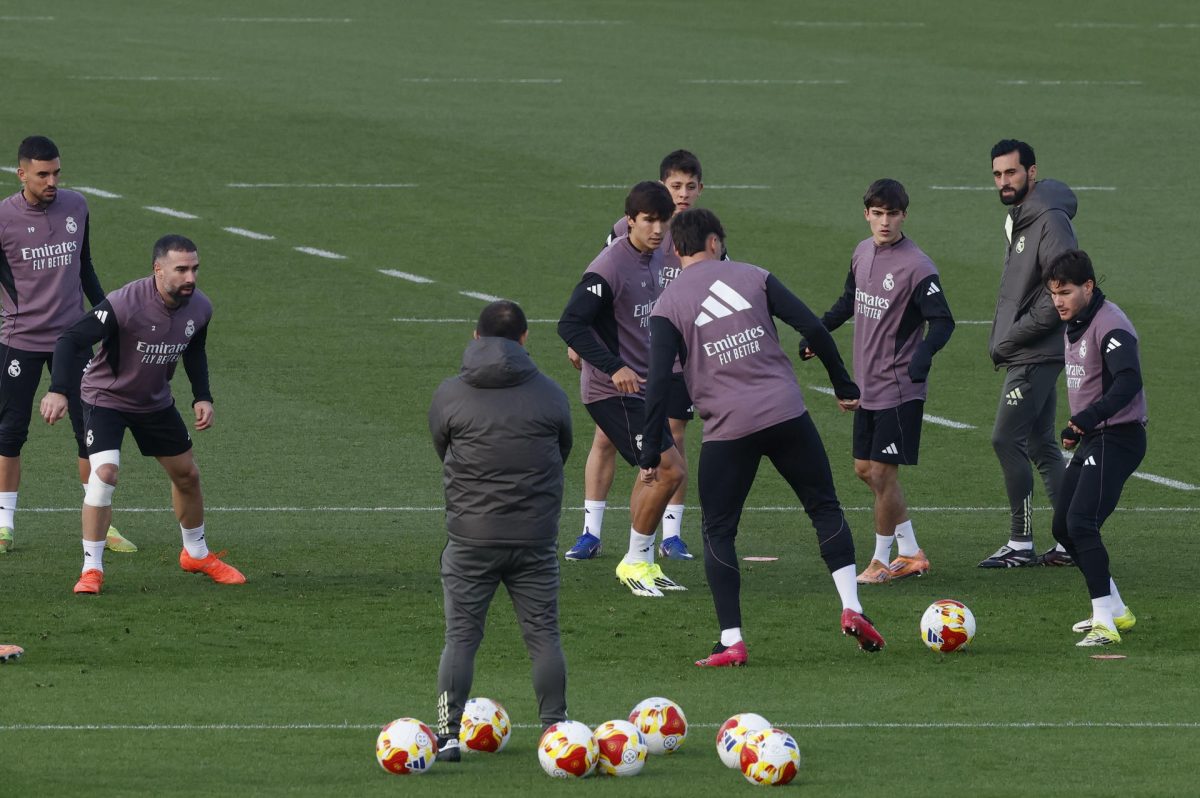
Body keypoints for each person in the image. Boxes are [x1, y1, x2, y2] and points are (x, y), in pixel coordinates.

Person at [640, 208, 885, 666]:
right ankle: (852, 606)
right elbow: (812, 326)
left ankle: (731, 639)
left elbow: (657, 382)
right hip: (786, 414)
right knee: (824, 507)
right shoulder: (753, 275)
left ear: (675, 251)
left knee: (718, 530)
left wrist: (650, 447)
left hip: (727, 431)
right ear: (715, 241)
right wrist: (842, 383)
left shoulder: (667, 305)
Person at [39, 234, 244, 593]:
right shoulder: (124, 303)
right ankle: (92, 569)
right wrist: (57, 390)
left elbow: (195, 348)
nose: (191, 278)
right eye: (181, 269)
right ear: (158, 269)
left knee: (187, 475)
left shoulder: (200, 307)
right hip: (106, 400)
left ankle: (196, 553)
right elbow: (69, 338)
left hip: (154, 401)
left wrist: (203, 396)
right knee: (104, 474)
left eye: (195, 269)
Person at [429, 300, 572, 761]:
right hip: (534, 538)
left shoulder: (450, 394)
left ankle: (449, 735)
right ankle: (555, 731)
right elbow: (563, 449)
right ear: (525, 339)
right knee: (543, 636)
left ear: (475, 337)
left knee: (462, 637)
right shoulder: (551, 394)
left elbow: (442, 447)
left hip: (471, 538)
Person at [801, 180, 954, 584]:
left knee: (883, 475)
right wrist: (818, 333)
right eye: (878, 213)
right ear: (866, 212)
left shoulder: (918, 266)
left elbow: (943, 321)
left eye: (892, 214)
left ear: (904, 215)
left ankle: (882, 562)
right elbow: (849, 299)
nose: (884, 222)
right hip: (867, 384)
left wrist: (921, 358)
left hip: (900, 388)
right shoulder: (862, 251)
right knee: (865, 470)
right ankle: (911, 551)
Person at [565, 149, 705, 562]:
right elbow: (595, 287)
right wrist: (582, 339)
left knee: (670, 447)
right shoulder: (622, 242)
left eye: (688, 187)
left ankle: (668, 537)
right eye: (674, 186)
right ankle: (594, 532)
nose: (681, 196)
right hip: (624, 365)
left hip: (674, 360)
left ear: (700, 189)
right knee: (612, 440)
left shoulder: (700, 233)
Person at [0, 136, 135, 554]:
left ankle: (102, 521)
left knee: (89, 433)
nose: (52, 180)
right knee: (8, 433)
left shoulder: (77, 206)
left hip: (72, 340)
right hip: (18, 341)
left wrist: (107, 316)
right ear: (22, 173)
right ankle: (4, 524)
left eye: (56, 172)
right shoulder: (2, 218)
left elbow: (85, 266)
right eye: (42, 174)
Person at [981, 139, 1077, 568]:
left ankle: (1021, 542)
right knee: (1040, 442)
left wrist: (1011, 338)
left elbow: (1059, 292)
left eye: (1012, 173)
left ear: (1031, 172)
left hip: (1035, 352)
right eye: (998, 174)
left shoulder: (1049, 221)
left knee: (1005, 439)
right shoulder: (1021, 217)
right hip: (1029, 348)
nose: (1004, 181)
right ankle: (1071, 539)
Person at [1045, 251, 1145, 646]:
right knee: (1063, 527)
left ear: (1088, 287)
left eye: (1066, 292)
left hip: (1119, 438)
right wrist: (1078, 427)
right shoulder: (1078, 320)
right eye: (1054, 294)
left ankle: (1103, 622)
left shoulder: (1112, 325)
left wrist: (1088, 417)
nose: (1059, 302)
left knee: (1082, 523)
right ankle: (1116, 610)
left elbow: (1128, 381)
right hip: (1095, 435)